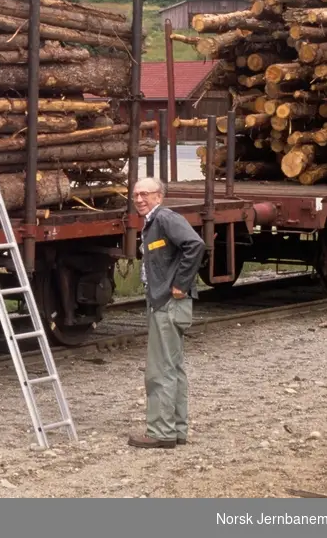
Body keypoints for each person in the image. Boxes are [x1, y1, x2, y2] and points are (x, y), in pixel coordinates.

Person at [128, 177, 204, 449]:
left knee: (160, 370)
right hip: (167, 304)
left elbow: (195, 245)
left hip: (168, 305)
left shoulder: (165, 218)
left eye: (145, 194)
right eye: (136, 194)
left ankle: (161, 431)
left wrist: (179, 285)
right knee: (173, 368)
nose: (139, 199)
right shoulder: (153, 222)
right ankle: (177, 429)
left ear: (159, 196)